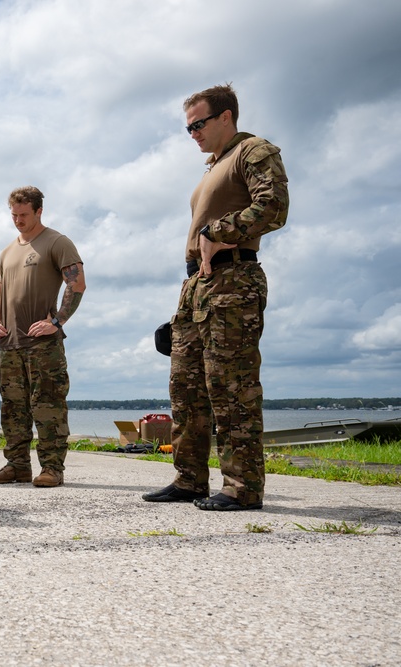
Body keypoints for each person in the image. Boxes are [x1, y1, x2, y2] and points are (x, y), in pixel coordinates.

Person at [143, 84, 288, 511]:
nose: (193, 134)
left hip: (233, 281)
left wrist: (217, 233)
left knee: (231, 387)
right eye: (187, 128)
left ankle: (242, 487)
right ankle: (189, 479)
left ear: (226, 116)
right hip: (199, 286)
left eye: (198, 124)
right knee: (186, 388)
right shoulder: (212, 166)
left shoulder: (253, 151)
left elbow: (274, 207)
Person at [0, 186, 85, 488]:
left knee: (48, 406)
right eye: (14, 215)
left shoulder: (57, 242)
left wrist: (56, 321)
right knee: (12, 409)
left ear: (39, 211)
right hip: (10, 344)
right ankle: (16, 466)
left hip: (43, 346)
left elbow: (77, 284)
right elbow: (0, 291)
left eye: (24, 215)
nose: (18, 220)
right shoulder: (6, 251)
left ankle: (52, 468)